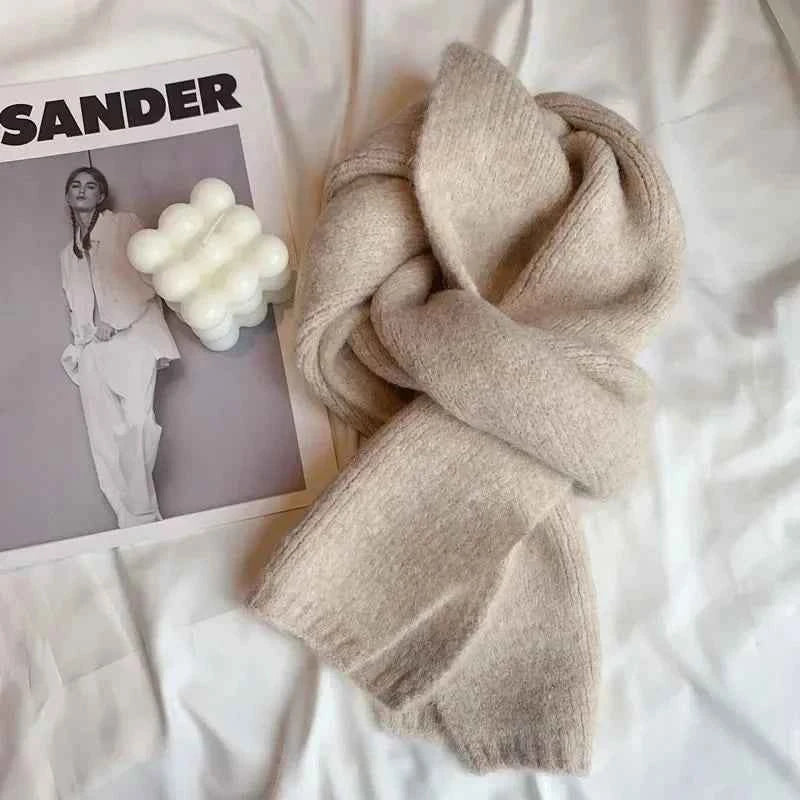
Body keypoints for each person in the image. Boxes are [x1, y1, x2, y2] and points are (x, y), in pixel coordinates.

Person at [60, 166, 179, 528]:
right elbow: (74, 305)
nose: (82, 190)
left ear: (101, 195)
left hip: (133, 336)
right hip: (91, 349)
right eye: (76, 185)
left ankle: (142, 514)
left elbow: (148, 277)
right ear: (68, 196)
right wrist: (81, 340)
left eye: (90, 185)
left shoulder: (124, 224)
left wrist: (116, 320)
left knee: (137, 423)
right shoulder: (67, 254)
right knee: (102, 437)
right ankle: (130, 520)